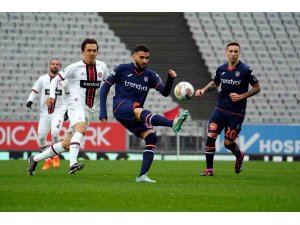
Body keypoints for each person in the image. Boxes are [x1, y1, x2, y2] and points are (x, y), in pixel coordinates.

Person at [99, 44, 189, 183]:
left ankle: (142, 176)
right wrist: (103, 112)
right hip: (121, 107)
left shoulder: (150, 75)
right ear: (133, 56)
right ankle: (173, 123)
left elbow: (165, 92)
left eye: (147, 58)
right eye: (141, 57)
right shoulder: (122, 69)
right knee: (140, 110)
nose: (145, 61)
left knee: (151, 137)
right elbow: (105, 88)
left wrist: (170, 79)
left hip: (135, 113)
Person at [28, 38, 109, 175]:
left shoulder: (102, 67)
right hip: (75, 104)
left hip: (90, 109)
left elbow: (106, 86)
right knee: (81, 128)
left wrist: (104, 110)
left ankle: (35, 158)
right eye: (88, 50)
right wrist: (52, 96)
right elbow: (55, 81)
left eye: (94, 51)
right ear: (82, 52)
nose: (92, 53)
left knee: (66, 143)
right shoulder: (74, 67)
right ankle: (72, 164)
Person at [195, 41, 261, 176]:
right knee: (211, 136)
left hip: (236, 113)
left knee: (227, 143)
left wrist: (242, 96)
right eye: (230, 51)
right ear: (226, 53)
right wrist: (203, 90)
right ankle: (209, 170)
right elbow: (215, 83)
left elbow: (257, 88)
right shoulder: (221, 69)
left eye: (236, 51)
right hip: (220, 109)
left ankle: (239, 156)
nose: (233, 54)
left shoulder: (245, 70)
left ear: (239, 53)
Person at [26, 58, 69, 171]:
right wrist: (30, 100)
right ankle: (47, 159)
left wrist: (69, 109)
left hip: (58, 112)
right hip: (45, 113)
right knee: (41, 137)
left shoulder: (64, 81)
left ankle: (55, 156)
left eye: (57, 64)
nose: (55, 66)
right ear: (49, 65)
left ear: (59, 66)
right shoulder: (42, 79)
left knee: (55, 133)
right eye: (53, 64)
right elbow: (34, 90)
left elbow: (69, 94)